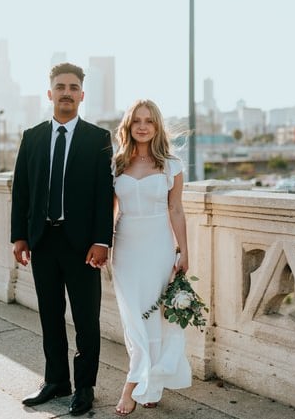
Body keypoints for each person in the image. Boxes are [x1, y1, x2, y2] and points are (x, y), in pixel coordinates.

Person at [11, 62, 114, 417]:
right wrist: (19, 237)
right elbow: (21, 192)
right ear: (50, 93)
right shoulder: (32, 137)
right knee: (50, 315)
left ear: (81, 95)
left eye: (73, 87)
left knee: (86, 319)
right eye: (61, 86)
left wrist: (102, 240)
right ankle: (56, 380)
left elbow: (104, 195)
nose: (66, 92)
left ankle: (84, 387)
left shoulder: (98, 139)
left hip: (82, 245)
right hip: (42, 242)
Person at [111, 99, 192, 416]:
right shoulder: (117, 164)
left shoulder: (172, 165)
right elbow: (111, 212)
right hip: (126, 248)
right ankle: (144, 380)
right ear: (129, 127)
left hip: (159, 246)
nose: (142, 126)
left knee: (154, 317)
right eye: (136, 121)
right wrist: (101, 248)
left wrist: (184, 250)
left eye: (149, 121)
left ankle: (138, 386)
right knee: (135, 320)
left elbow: (176, 209)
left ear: (157, 127)